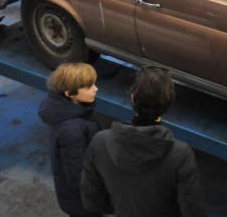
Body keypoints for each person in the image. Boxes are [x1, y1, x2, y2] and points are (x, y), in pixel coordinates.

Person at [81, 66, 208, 217]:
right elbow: (194, 211)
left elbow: (91, 201)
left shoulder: (100, 142)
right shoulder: (180, 154)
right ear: (168, 103)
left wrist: (123, 208)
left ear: (133, 97)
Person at [38, 62, 101, 217]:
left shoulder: (68, 110)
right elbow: (78, 176)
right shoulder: (72, 130)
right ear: (69, 93)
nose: (96, 89)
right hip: (83, 204)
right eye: (89, 86)